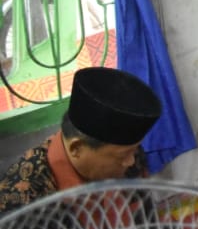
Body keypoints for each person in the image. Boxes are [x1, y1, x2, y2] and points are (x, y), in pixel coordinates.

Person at [0, 67, 160, 212]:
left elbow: (146, 218)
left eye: (134, 150)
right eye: (123, 155)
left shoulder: (128, 157)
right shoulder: (23, 201)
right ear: (76, 148)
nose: (131, 161)